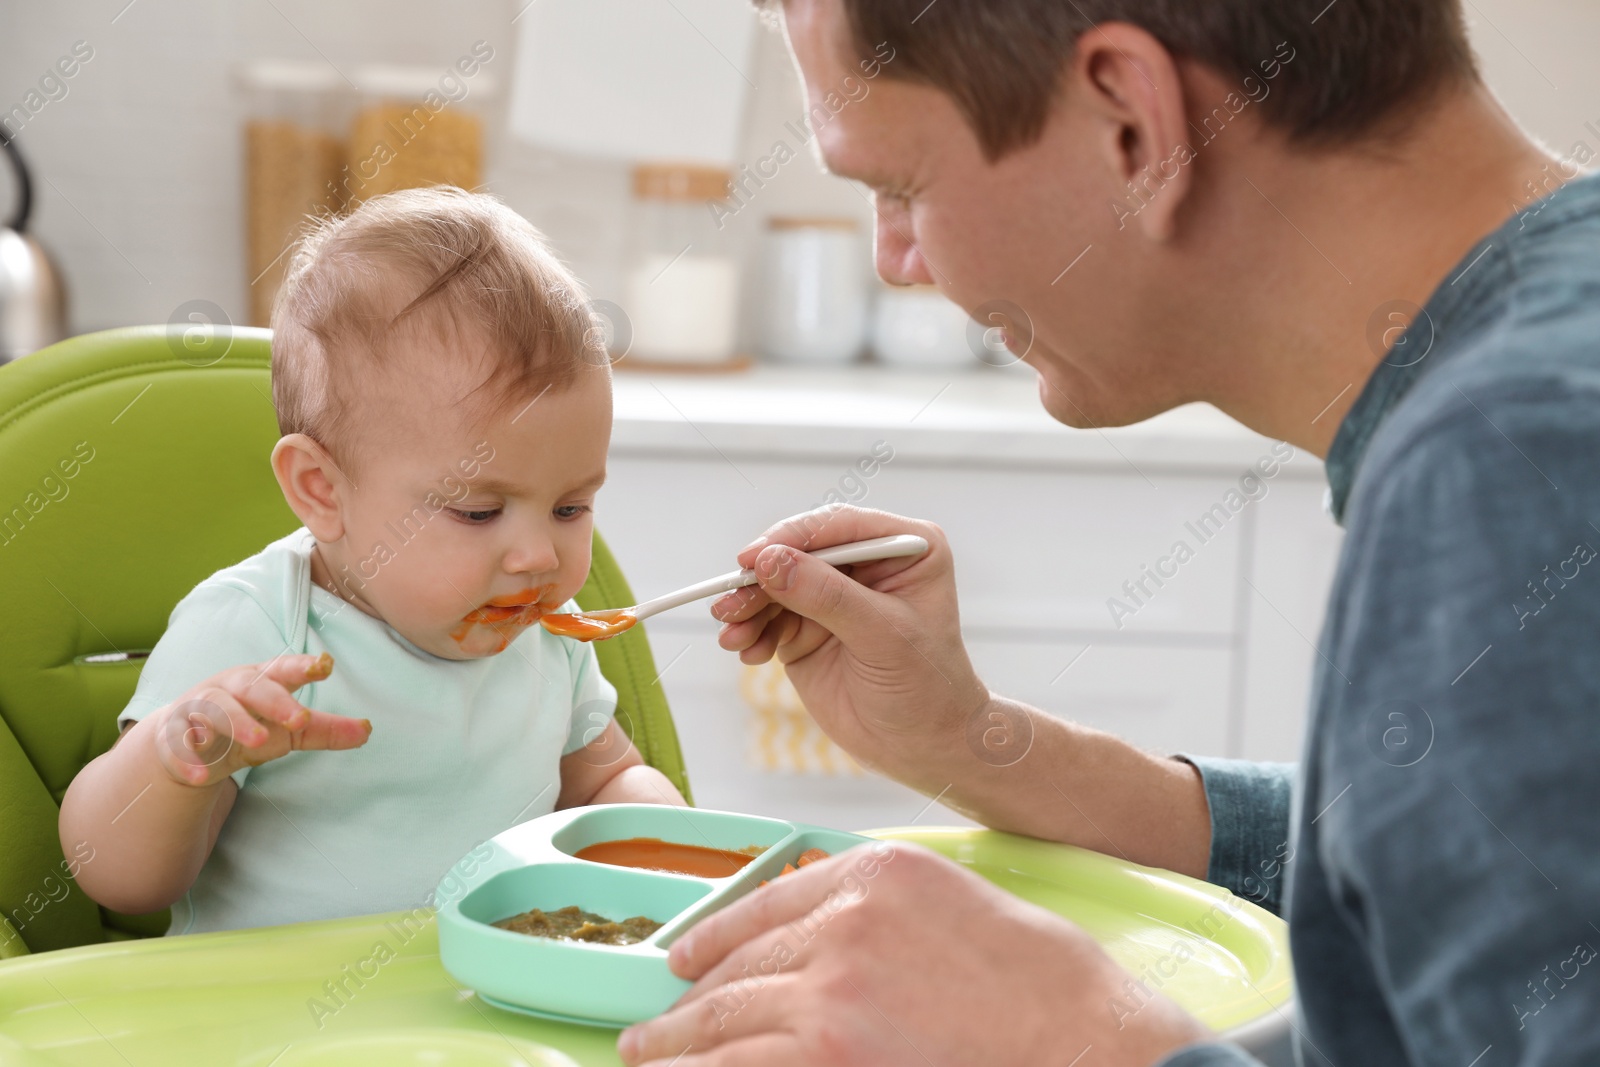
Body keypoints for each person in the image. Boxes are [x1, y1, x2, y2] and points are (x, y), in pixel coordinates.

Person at [618, 0, 1600, 1064]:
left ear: (1130, 125)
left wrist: (1077, 1038)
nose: (896, 259)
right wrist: (976, 743)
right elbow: (1405, 862)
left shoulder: (1512, 463)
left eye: (899, 188)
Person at [59, 187, 684, 935]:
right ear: (322, 490)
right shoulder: (259, 634)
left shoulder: (548, 637)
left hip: (485, 1014)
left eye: (571, 506)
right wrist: (178, 759)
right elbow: (122, 878)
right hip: (278, 1028)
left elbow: (604, 778)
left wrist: (661, 829)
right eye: (479, 511)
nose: (538, 555)